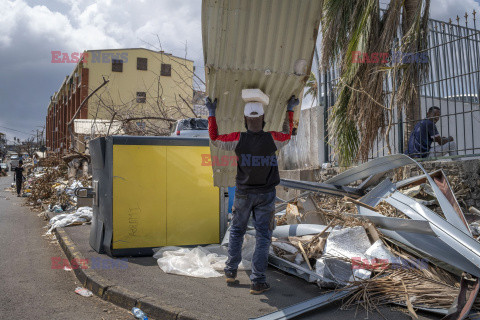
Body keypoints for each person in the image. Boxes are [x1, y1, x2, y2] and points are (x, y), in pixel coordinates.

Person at [206, 93, 298, 295]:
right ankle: (258, 281)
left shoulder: (237, 139)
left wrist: (212, 113)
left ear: (244, 120)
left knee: (237, 231)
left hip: (243, 194)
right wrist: (289, 110)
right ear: (263, 119)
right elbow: (287, 133)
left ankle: (230, 271)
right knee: (263, 236)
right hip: (265, 195)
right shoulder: (273, 139)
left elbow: (214, 138)